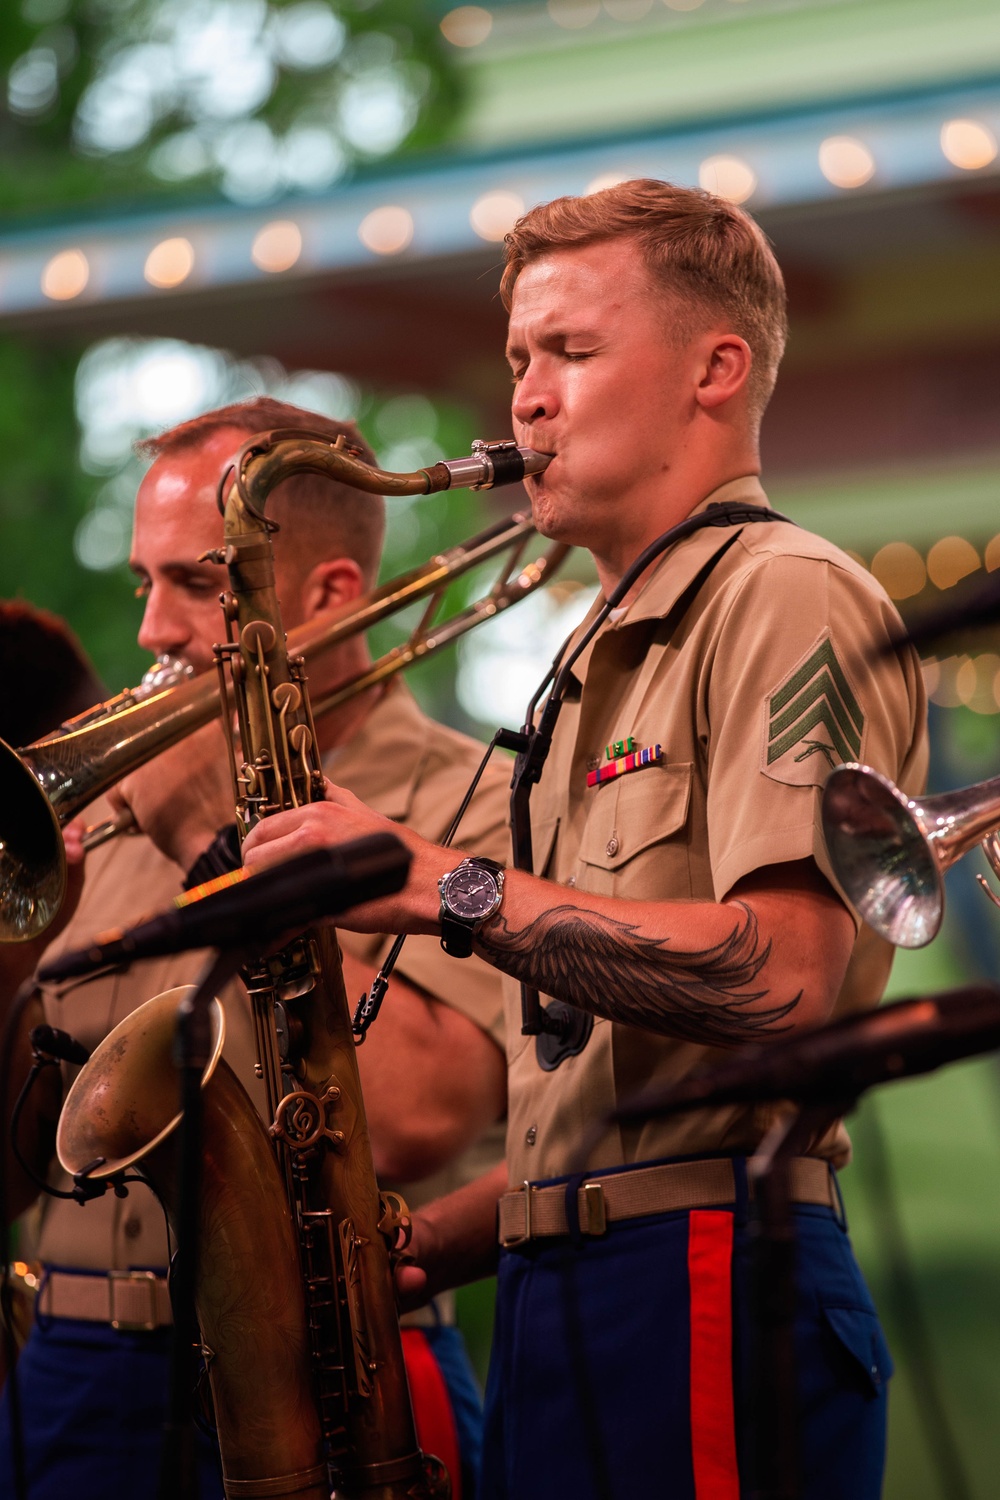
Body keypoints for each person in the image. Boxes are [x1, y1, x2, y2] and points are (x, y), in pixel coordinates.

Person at [240, 182, 929, 1500]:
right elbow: (607, 1079)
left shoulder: (783, 594)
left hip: (711, 1275)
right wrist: (435, 1237)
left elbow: (781, 980)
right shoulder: (585, 649)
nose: (528, 400)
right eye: (517, 361)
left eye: (573, 351)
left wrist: (442, 882)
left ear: (715, 369)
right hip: (572, 1285)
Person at [0, 398, 509, 1500]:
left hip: (330, 1375)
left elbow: (421, 1116)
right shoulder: (117, 801)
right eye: (144, 584)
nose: (148, 633)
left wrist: (203, 847)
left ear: (323, 595)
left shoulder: (469, 797)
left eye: (193, 584)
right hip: (75, 1374)